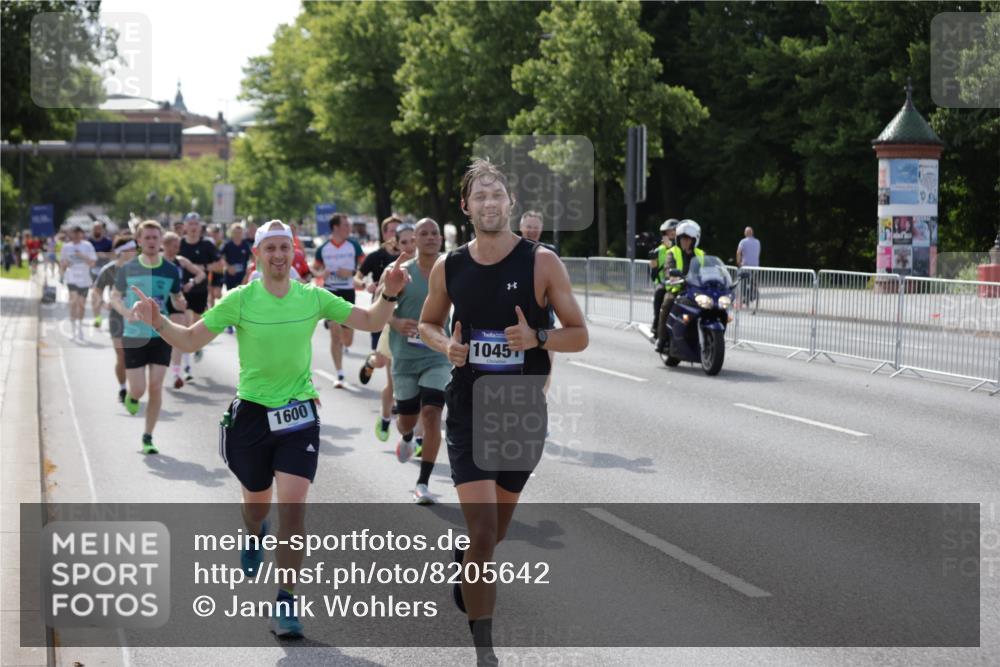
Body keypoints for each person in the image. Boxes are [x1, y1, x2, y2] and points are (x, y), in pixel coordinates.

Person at [128, 219, 412, 638]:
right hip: (252, 416)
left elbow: (370, 321)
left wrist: (389, 292)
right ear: (258, 255)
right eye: (270, 248)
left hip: (299, 414)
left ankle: (285, 601)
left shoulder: (312, 297)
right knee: (257, 508)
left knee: (293, 509)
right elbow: (188, 341)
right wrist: (159, 323)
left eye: (284, 247)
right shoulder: (240, 299)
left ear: (293, 252)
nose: (278, 255)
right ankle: (253, 531)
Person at [419, 159, 588, 665]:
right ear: (466, 207)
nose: (489, 202)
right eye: (480, 196)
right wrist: (445, 346)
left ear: (511, 202)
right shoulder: (448, 266)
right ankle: (485, 651)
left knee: (495, 536)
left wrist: (538, 337)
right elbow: (428, 324)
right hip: (469, 407)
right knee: (483, 532)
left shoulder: (542, 262)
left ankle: (469, 561)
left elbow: (579, 335)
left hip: (521, 410)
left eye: (497, 194)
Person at [384, 220, 451, 505]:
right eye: (424, 233)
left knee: (433, 414)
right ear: (415, 239)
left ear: (440, 239)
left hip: (438, 353)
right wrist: (395, 322)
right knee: (407, 421)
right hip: (405, 356)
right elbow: (380, 307)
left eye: (435, 233)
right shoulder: (401, 272)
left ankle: (423, 482)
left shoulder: (450, 269)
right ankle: (408, 436)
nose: (430, 237)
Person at [110, 220, 186, 454]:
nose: (152, 242)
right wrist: (126, 313)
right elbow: (114, 296)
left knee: (155, 386)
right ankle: (132, 397)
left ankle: (148, 437)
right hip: (134, 335)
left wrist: (181, 303)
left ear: (161, 240)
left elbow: (177, 297)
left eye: (155, 237)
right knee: (139, 389)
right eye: (147, 238)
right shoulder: (128, 268)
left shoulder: (170, 270)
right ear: (139, 241)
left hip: (162, 333)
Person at [355, 216, 402, 440]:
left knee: (396, 371)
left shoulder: (415, 256)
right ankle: (371, 362)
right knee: (383, 362)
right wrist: (367, 285)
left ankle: (406, 418)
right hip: (382, 318)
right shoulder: (377, 257)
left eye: (398, 230)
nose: (395, 234)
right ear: (384, 234)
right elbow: (357, 279)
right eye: (391, 230)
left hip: (407, 323)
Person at [312, 213, 365, 388]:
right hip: (330, 292)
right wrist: (321, 274)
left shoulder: (353, 245)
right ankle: (340, 374)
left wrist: (351, 273)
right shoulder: (323, 248)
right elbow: (314, 269)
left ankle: (344, 340)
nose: (349, 228)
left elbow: (364, 266)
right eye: (345, 225)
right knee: (334, 331)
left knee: (347, 340)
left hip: (348, 292)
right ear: (335, 227)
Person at [92, 235, 137, 402]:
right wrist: (104, 303)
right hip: (117, 317)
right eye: (132, 249)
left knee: (136, 356)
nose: (135, 251)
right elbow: (96, 290)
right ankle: (123, 388)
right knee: (122, 356)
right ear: (122, 251)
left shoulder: (142, 268)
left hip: (137, 318)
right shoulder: (110, 269)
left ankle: (135, 387)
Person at [178, 212, 223, 371]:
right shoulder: (179, 243)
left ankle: (196, 346)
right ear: (185, 226)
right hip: (181, 290)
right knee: (185, 322)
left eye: (196, 224)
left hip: (200, 290)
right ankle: (185, 362)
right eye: (190, 224)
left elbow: (220, 265)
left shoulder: (207, 245)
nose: (193, 227)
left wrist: (203, 267)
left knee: (195, 324)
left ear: (200, 227)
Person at [161, 231, 205, 388]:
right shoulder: (157, 261)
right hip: (160, 301)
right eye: (174, 246)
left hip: (176, 300)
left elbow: (201, 274)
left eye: (178, 246)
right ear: (165, 245)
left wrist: (191, 282)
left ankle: (179, 372)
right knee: (162, 338)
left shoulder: (180, 261)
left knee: (180, 335)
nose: (177, 249)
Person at [655, 220, 705, 354]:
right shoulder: (672, 252)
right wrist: (672, 276)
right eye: (682, 238)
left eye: (688, 239)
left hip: (696, 291)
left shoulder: (700, 254)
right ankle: (662, 339)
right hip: (678, 290)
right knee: (668, 303)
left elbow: (709, 269)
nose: (685, 241)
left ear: (694, 240)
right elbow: (668, 267)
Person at [60, 224, 97, 340]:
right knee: (73, 303)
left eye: (78, 233)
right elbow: (62, 263)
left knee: (81, 305)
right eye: (74, 233)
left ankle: (80, 328)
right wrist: (65, 265)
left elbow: (93, 263)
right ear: (70, 234)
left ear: (82, 234)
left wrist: (81, 256)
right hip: (71, 279)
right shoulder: (66, 247)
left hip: (84, 280)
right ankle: (73, 330)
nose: (76, 236)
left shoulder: (87, 246)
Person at [649, 218, 679, 335]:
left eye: (673, 232)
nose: (671, 235)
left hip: (682, 283)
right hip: (665, 283)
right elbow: (653, 275)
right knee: (659, 293)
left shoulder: (683, 249)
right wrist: (653, 263)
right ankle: (657, 323)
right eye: (668, 233)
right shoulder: (658, 250)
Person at [88, 222, 114, 329]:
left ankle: (114, 318)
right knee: (96, 296)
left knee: (113, 295)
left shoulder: (108, 242)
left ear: (103, 230)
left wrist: (104, 255)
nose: (97, 230)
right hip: (94, 272)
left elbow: (114, 255)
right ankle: (97, 319)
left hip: (109, 272)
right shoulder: (88, 242)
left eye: (99, 228)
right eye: (95, 228)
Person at [736, 226, 761, 309]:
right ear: (752, 233)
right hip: (756, 267)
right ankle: (753, 293)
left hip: (746, 266)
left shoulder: (743, 241)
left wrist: (738, 263)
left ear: (746, 233)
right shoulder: (757, 242)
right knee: (753, 282)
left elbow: (738, 252)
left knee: (742, 281)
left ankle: (744, 297)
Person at [206, 224, 226, 309]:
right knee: (210, 295)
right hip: (209, 272)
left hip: (219, 272)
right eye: (214, 232)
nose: (215, 234)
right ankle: (212, 312)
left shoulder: (223, 244)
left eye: (217, 232)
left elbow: (224, 259)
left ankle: (223, 306)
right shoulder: (207, 243)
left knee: (217, 294)